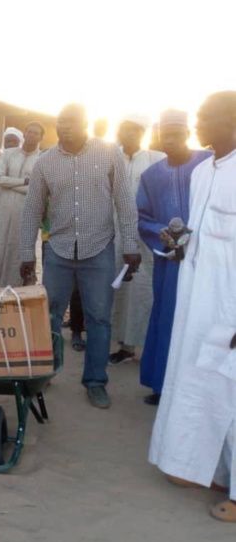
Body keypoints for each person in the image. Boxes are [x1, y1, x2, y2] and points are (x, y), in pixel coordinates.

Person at [149, 91, 236, 523]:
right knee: (201, 385)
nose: (197, 124)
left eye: (205, 117)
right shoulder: (203, 172)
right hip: (196, 303)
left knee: (232, 392)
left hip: (229, 308)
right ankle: (213, 471)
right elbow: (201, 234)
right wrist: (181, 244)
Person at [20, 104, 140, 410]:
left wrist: (131, 245)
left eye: (71, 122)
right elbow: (32, 209)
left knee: (99, 318)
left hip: (98, 249)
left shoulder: (109, 154)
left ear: (85, 124)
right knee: (49, 315)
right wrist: (26, 253)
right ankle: (46, 373)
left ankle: (95, 381)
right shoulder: (45, 162)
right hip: (58, 249)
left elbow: (125, 202)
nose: (64, 127)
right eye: (60, 122)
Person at [136, 110, 211, 405]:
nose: (170, 140)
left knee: (200, 319)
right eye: (164, 135)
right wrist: (163, 233)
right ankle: (162, 385)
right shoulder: (151, 176)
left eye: (176, 134)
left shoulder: (208, 164)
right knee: (167, 316)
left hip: (206, 260)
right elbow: (143, 217)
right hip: (170, 263)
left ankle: (196, 390)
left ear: (187, 134)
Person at [109, 114, 166, 365]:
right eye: (123, 129)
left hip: (145, 235)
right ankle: (124, 345)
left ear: (142, 133)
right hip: (114, 231)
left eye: (133, 130)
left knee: (142, 291)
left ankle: (146, 347)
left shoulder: (156, 159)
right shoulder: (110, 159)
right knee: (118, 288)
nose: (127, 134)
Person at [0, 123, 43, 288]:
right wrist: (24, 181)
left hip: (24, 214)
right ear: (24, 134)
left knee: (18, 253)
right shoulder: (9, 154)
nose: (32, 135)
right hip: (3, 212)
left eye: (36, 133)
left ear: (41, 138)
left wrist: (9, 184)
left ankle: (15, 294)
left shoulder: (41, 160)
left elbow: (36, 189)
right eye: (29, 131)